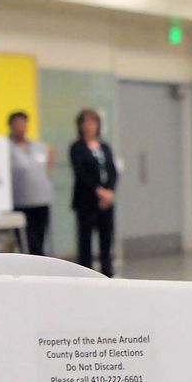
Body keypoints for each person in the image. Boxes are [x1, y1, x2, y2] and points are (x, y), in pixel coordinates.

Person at [69, 108, 119, 277]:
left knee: (107, 239)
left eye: (93, 122)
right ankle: (86, 274)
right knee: (86, 240)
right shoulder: (77, 147)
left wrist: (110, 191)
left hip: (106, 201)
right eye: (86, 122)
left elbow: (112, 170)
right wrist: (98, 191)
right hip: (87, 200)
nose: (89, 126)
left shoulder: (104, 147)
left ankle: (108, 272)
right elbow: (81, 173)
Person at [7, 111, 54, 256]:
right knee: (27, 240)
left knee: (40, 238)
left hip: (41, 199)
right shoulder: (7, 146)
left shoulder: (36, 146)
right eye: (18, 124)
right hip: (21, 200)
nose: (21, 127)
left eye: (23, 123)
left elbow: (51, 152)